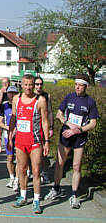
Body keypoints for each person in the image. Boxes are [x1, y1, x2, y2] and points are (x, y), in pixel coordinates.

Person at [45, 74, 99, 209]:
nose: (77, 87)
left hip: (79, 137)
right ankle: (56, 189)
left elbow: (93, 123)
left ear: (85, 86)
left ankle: (74, 195)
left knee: (76, 166)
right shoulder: (69, 97)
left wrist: (79, 129)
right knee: (60, 163)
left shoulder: (90, 102)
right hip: (66, 134)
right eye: (76, 84)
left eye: (80, 85)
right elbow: (59, 114)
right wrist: (68, 124)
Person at [7, 74, 50, 214]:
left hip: (35, 141)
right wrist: (9, 136)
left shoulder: (41, 100)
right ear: (21, 85)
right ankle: (23, 196)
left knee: (36, 171)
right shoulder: (16, 99)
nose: (28, 87)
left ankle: (36, 200)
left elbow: (44, 121)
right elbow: (13, 118)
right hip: (20, 141)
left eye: (31, 84)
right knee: (22, 170)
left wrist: (47, 141)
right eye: (25, 84)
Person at [0, 85, 19, 191]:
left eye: (14, 93)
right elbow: (0, 121)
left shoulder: (20, 105)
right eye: (10, 93)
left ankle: (18, 179)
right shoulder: (4, 106)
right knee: (10, 157)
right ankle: (12, 177)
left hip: (19, 135)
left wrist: (16, 129)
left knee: (20, 159)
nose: (12, 95)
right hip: (7, 135)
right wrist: (8, 128)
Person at [34, 76, 54, 184]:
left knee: (43, 153)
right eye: (37, 84)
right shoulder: (29, 95)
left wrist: (51, 127)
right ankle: (30, 172)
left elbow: (50, 111)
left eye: (41, 84)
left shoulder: (46, 96)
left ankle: (44, 172)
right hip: (32, 127)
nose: (39, 86)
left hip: (43, 126)